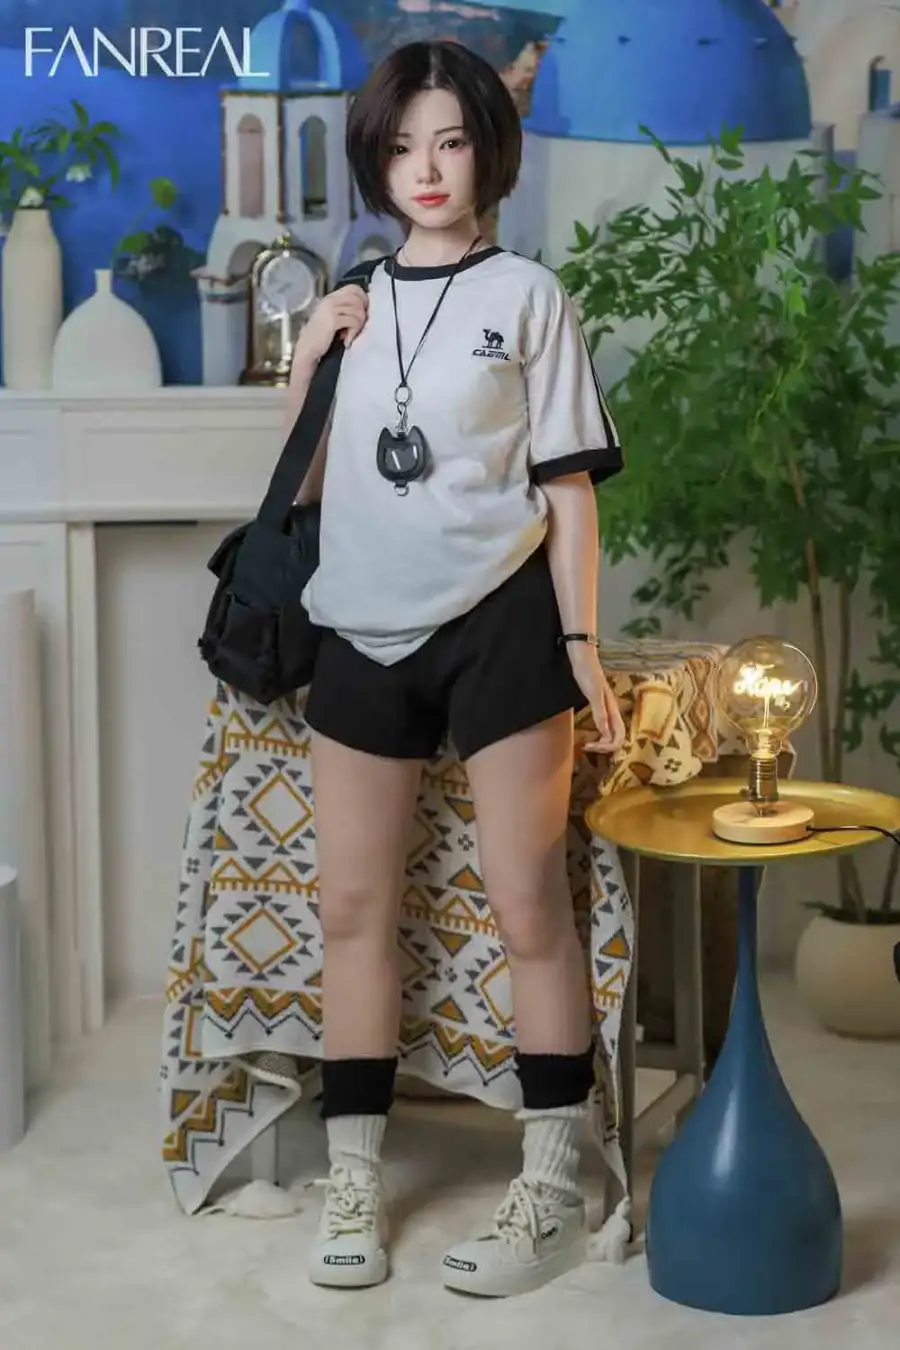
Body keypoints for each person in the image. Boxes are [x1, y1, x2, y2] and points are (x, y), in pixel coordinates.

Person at [284, 38, 627, 1299]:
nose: (425, 169)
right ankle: (354, 1179)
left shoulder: (529, 295)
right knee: (351, 910)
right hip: (359, 625)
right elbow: (299, 489)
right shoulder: (352, 300)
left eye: (450, 141)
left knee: (529, 904)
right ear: (375, 161)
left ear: (490, 148)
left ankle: (550, 1190)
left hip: (501, 623)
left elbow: (570, 492)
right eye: (400, 146)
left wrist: (581, 643)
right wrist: (311, 357)